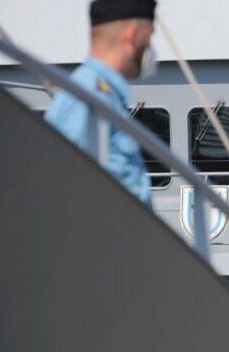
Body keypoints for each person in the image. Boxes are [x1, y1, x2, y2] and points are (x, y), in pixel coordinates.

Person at [44, 0, 158, 207]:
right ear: (131, 34)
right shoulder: (88, 97)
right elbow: (65, 191)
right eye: (149, 38)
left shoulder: (104, 95)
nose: (151, 48)